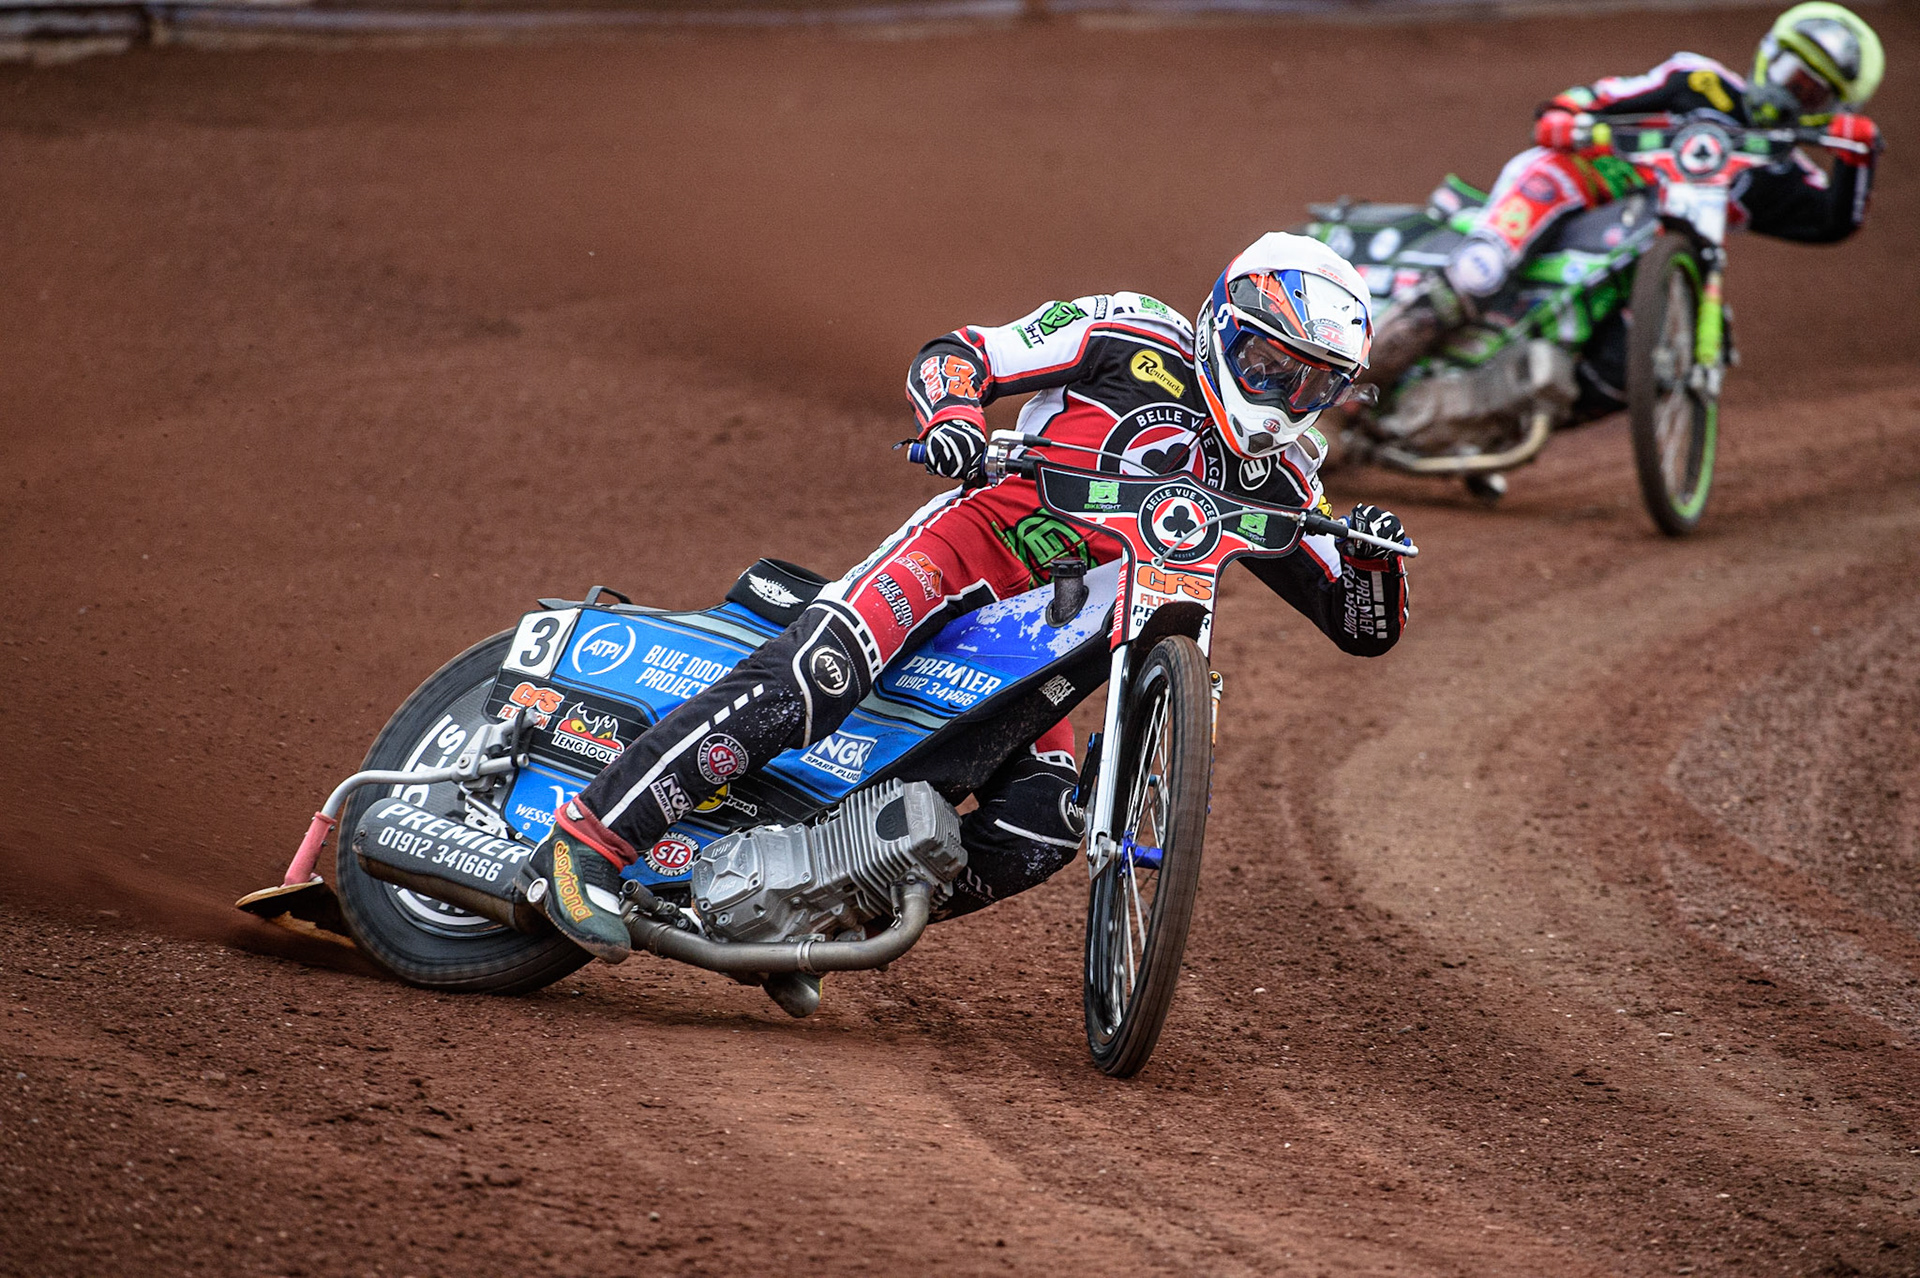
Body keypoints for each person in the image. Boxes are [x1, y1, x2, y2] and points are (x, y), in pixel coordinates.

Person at [526, 232, 1412, 967]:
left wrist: (1372, 561)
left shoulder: (1287, 476)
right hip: (963, 556)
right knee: (816, 676)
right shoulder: (1128, 331)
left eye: (1313, 384)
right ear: (1224, 323)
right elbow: (962, 355)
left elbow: (1359, 625)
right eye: (1269, 365)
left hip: (1045, 652)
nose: (1284, 397)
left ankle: (809, 924)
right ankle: (586, 843)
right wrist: (953, 418)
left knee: (1042, 828)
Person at [1370, 1, 1886, 385]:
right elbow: (1596, 98)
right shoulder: (1699, 81)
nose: (1790, 95)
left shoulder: (1780, 171)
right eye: (1792, 76)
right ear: (1769, 55)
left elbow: (1833, 220)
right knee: (1478, 272)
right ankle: (1361, 374)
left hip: (1641, 257)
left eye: (1811, 94)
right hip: (1583, 183)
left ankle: (1501, 413)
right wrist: (1565, 116)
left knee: (1637, 365)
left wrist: (1856, 158)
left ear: (1830, 110)